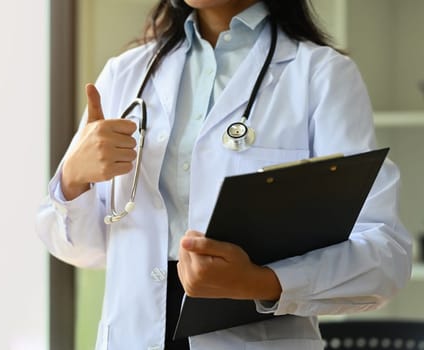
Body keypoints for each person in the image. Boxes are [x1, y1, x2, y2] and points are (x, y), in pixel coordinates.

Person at [35, 0, 413, 349]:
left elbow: (385, 255)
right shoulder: (126, 74)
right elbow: (83, 248)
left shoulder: (320, 76)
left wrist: (260, 282)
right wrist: (73, 178)